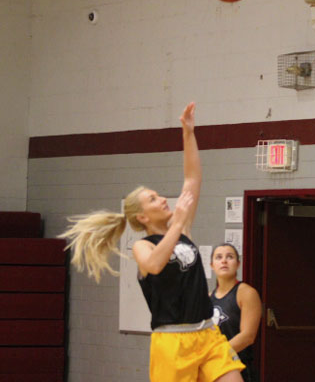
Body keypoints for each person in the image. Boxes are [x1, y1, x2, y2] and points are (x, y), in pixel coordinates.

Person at [59, 102, 245, 382]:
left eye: (159, 195)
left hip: (207, 334)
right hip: (172, 343)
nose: (162, 200)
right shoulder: (142, 247)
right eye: (154, 199)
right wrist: (179, 223)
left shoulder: (182, 228)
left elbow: (192, 178)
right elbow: (156, 264)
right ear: (142, 217)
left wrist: (188, 133)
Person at [210, 243, 262, 382]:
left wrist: (215, 354)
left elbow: (247, 336)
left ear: (238, 264)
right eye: (219, 257)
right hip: (214, 369)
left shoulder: (246, 293)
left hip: (240, 369)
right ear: (212, 265)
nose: (224, 261)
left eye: (230, 257)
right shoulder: (208, 298)